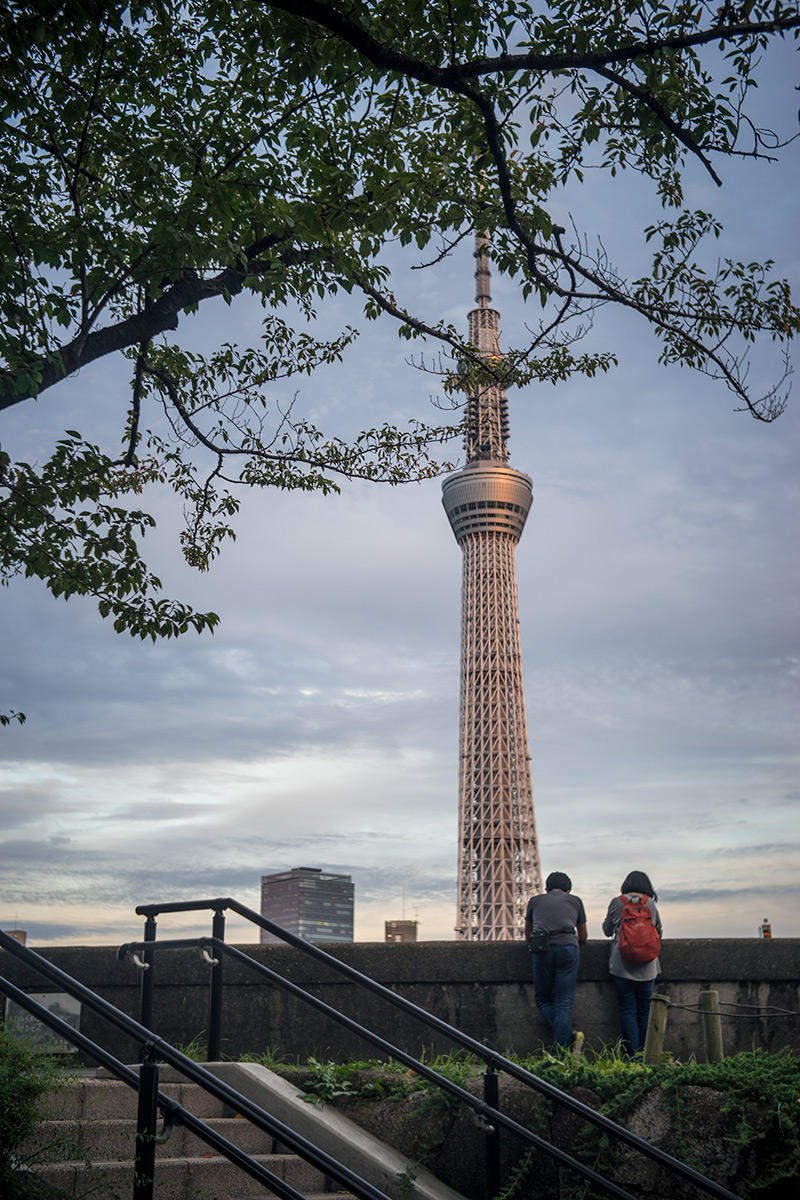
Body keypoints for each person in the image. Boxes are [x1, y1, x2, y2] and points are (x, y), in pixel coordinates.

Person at [602, 870, 663, 1057]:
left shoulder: (617, 902)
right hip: (647, 966)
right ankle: (646, 1054)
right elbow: (658, 931)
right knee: (645, 1011)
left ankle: (632, 1055)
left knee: (628, 1009)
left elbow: (607, 930)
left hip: (622, 965)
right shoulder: (650, 904)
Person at [525, 871, 588, 1050]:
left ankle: (566, 1040)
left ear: (546, 889)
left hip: (542, 950)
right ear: (569, 890)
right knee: (564, 1001)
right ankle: (562, 1047)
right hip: (568, 949)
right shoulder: (576, 901)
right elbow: (583, 936)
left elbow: (528, 936)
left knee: (542, 998)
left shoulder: (535, 901)